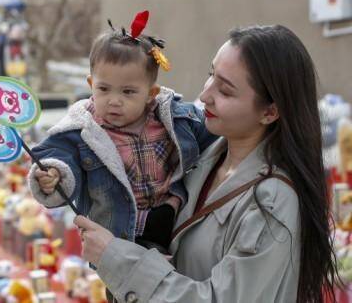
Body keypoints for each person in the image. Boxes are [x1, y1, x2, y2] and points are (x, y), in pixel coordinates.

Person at [75, 25, 340, 303]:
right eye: (211, 74)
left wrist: (116, 259)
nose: (204, 96)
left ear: (269, 112)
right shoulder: (199, 157)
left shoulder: (272, 202)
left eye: (225, 91)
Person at [28, 11, 216, 252]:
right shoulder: (84, 129)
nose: (114, 101)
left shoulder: (173, 118)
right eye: (104, 89)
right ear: (90, 85)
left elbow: (212, 134)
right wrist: (54, 171)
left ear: (151, 94)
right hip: (118, 233)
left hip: (171, 219)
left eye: (128, 92)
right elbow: (59, 152)